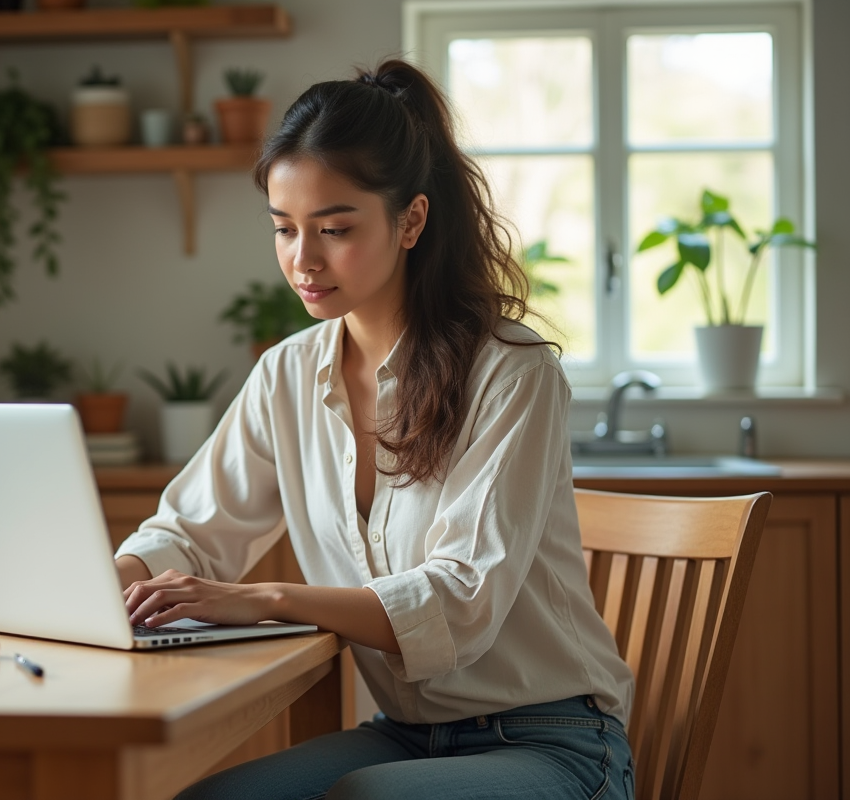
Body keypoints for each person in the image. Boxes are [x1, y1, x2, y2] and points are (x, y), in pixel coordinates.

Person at [114, 59, 635, 800]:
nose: (303, 260)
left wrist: (268, 597)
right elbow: (192, 531)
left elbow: (461, 599)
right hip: (404, 735)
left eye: (334, 229)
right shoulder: (287, 376)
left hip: (554, 739)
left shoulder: (511, 373)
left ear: (411, 219)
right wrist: (124, 578)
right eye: (284, 229)